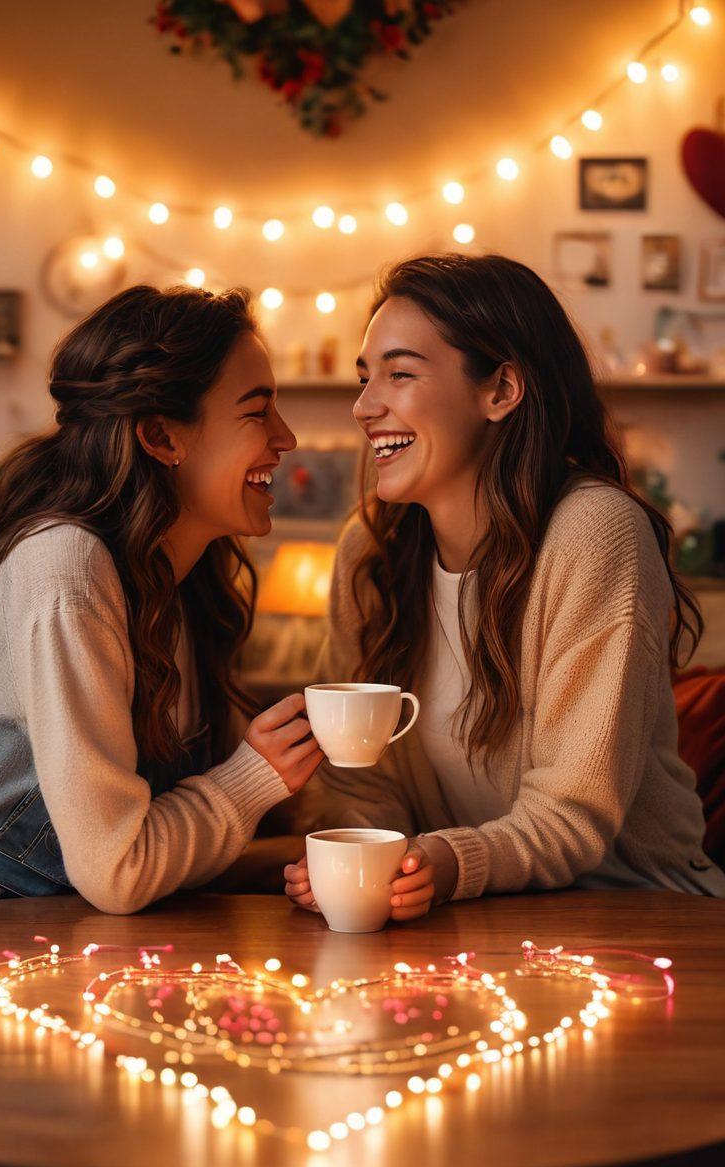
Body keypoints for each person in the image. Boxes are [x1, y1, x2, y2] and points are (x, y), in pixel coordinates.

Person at [285, 253, 725, 919]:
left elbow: (572, 813)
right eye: (364, 377)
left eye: (400, 374)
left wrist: (444, 861)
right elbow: (358, 776)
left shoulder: (597, 535)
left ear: (501, 390)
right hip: (477, 916)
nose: (364, 406)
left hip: (643, 914)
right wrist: (359, 854)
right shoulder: (369, 550)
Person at [0, 283, 322, 918]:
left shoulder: (183, 579)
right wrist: (255, 776)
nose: (286, 439)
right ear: (162, 437)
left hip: (78, 936)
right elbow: (119, 870)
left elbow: (166, 845)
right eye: (258, 412)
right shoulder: (66, 570)